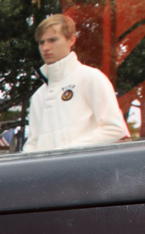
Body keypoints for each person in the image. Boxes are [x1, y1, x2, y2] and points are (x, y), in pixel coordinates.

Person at [24, 14, 129, 152]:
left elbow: (115, 129)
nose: (45, 47)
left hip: (85, 171)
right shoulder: (39, 95)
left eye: (53, 40)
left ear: (71, 40)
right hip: (47, 172)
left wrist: (68, 153)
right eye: (41, 42)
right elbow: (33, 142)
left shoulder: (91, 78)